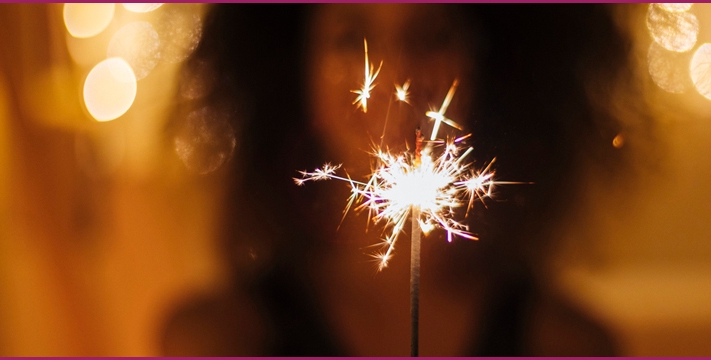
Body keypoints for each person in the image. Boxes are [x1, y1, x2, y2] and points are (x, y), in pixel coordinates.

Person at [161, 4, 651, 356]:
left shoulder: (567, 346)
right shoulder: (218, 341)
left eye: (433, 34)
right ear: (292, 66)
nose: (397, 69)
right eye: (351, 37)